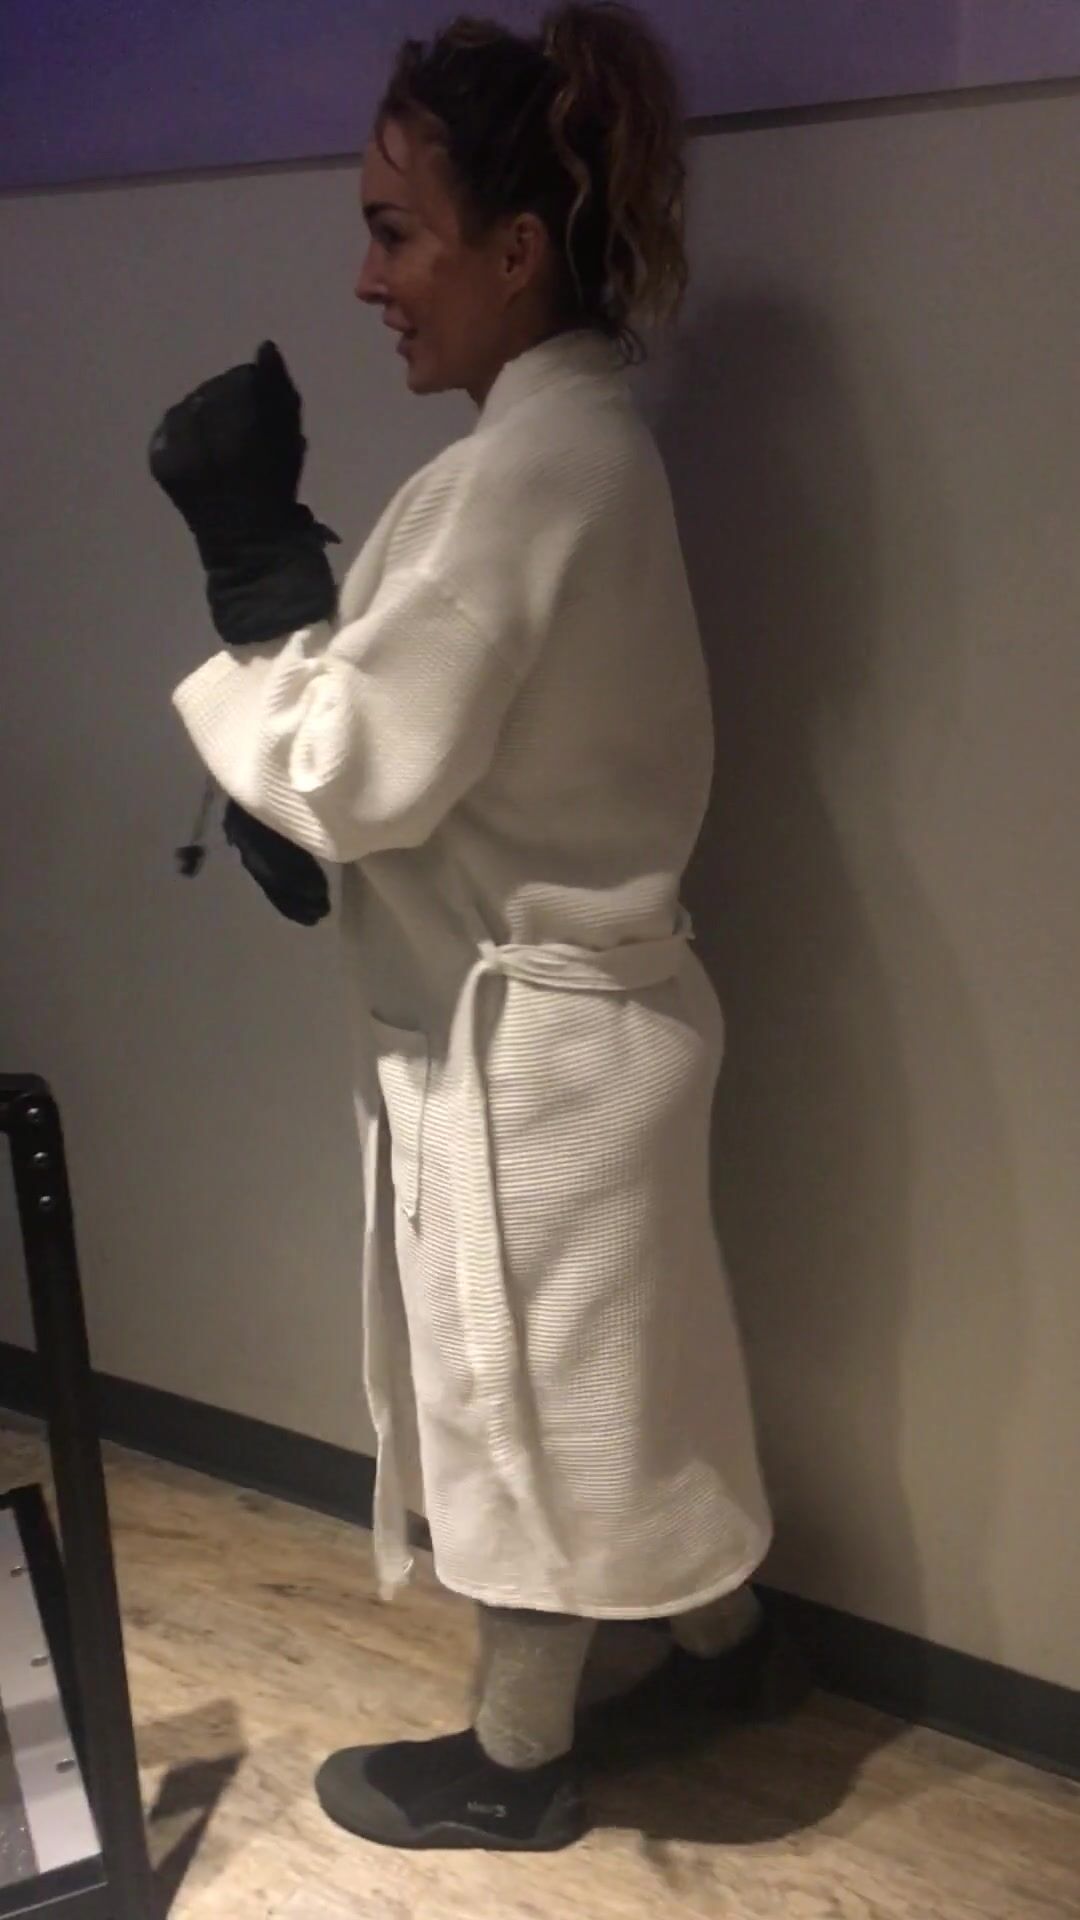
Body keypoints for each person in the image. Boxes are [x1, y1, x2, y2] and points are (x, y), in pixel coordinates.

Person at [151, 2, 772, 1855]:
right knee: (635, 1387)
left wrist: (253, 578)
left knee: (528, 1404)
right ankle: (730, 1651)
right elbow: (440, 713)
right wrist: (299, 616)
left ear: (514, 249)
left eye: (395, 233)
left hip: (533, 1060)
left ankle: (515, 1762)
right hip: (600, 1019)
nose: (367, 280)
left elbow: (352, 769)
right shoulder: (572, 442)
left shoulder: (529, 469)